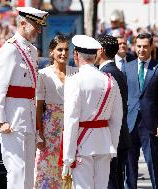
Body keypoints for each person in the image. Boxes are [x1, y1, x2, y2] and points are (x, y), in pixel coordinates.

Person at [0, 7, 48, 189]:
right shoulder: (10, 49)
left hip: (27, 118)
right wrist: (0, 120)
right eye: (35, 26)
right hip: (12, 119)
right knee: (16, 171)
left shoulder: (31, 50)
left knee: (29, 171)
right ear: (23, 23)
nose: (38, 30)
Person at [61, 35, 123, 189]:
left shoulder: (74, 81)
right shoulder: (110, 80)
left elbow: (71, 120)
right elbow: (117, 119)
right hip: (104, 143)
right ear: (96, 56)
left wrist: (68, 157)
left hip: (82, 144)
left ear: (76, 55)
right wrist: (112, 146)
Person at [124, 32, 158, 189]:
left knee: (152, 161)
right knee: (130, 165)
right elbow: (124, 98)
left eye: (145, 46)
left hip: (150, 124)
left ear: (151, 47)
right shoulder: (127, 67)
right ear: (134, 46)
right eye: (138, 46)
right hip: (130, 123)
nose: (141, 49)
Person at [34, 34, 78, 189]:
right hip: (50, 127)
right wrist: (38, 133)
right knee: (47, 167)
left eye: (66, 49)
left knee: (70, 167)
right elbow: (38, 107)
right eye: (60, 49)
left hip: (73, 125)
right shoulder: (43, 74)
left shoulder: (76, 72)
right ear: (51, 52)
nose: (64, 53)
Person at [96, 34, 131, 189]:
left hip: (111, 137)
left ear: (102, 50)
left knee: (111, 182)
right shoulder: (116, 71)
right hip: (119, 136)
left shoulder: (106, 74)